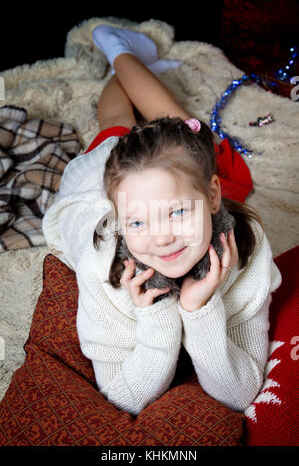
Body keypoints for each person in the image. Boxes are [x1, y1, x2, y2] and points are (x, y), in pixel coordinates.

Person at [42, 25, 282, 417]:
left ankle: (125, 58)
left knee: (191, 146)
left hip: (148, 177)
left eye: (178, 212)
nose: (162, 240)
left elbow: (240, 394)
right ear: (121, 221)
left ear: (213, 196)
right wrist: (156, 315)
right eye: (137, 224)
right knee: (117, 126)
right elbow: (122, 397)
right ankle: (123, 56)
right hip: (94, 183)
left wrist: (198, 308)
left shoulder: (245, 244)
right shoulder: (100, 265)